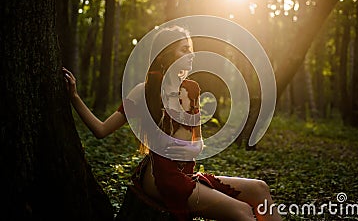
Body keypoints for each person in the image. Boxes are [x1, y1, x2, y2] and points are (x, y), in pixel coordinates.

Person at [63, 26, 282, 221]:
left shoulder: (192, 89)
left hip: (187, 173)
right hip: (160, 177)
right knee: (242, 212)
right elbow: (101, 130)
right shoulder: (144, 92)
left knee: (260, 189)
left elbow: (199, 144)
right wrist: (74, 97)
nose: (191, 54)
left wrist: (186, 148)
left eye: (191, 48)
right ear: (166, 55)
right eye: (184, 49)